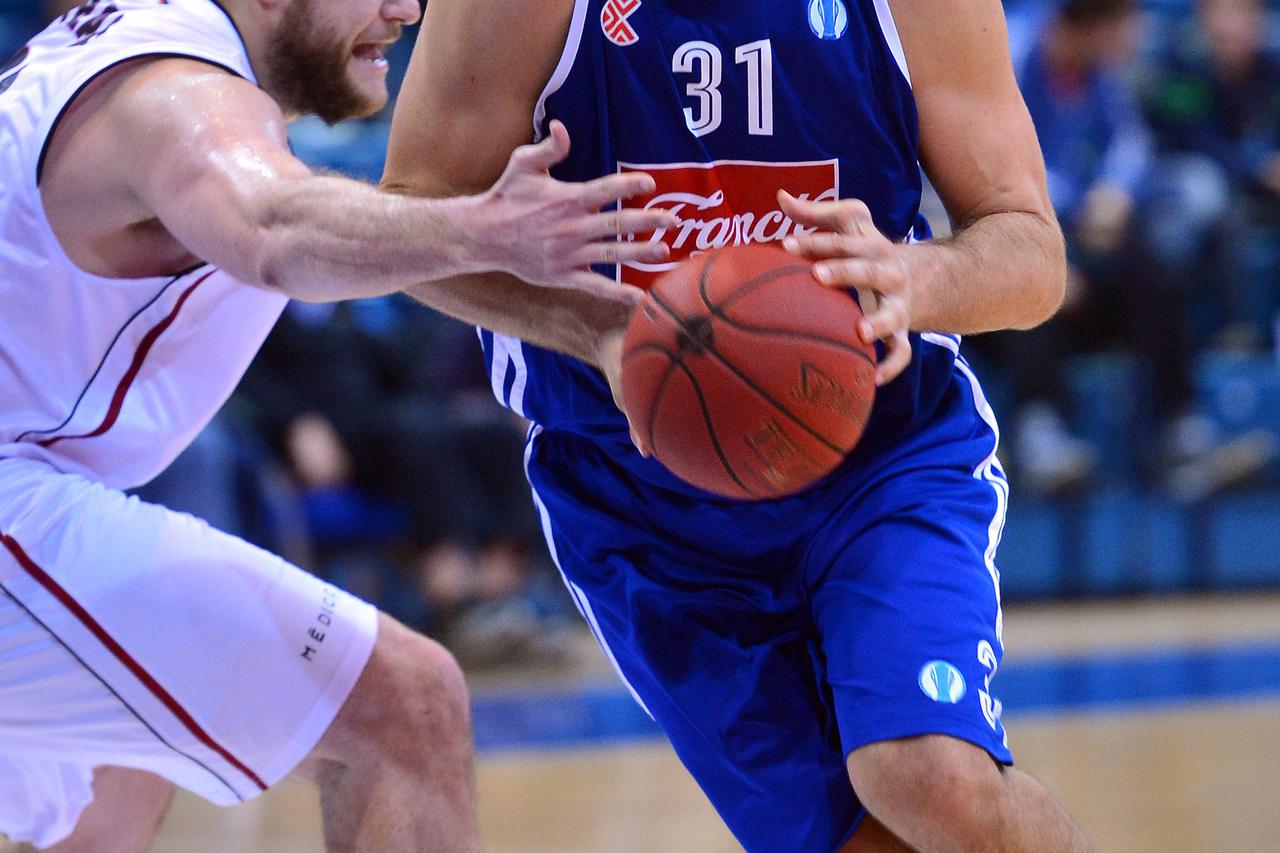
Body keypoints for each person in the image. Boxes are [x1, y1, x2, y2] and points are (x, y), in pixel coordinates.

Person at [384, 0, 1092, 850]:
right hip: (637, 495)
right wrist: (596, 328)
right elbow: (410, 224)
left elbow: (1032, 251)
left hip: (877, 455)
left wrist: (917, 276)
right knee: (858, 839)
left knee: (930, 773)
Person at [0, 0, 676, 849]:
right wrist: (479, 230)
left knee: (115, 779)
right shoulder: (177, 92)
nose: (406, 8)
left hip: (39, 480)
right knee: (404, 706)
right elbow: (272, 226)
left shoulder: (129, 51)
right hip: (14, 489)